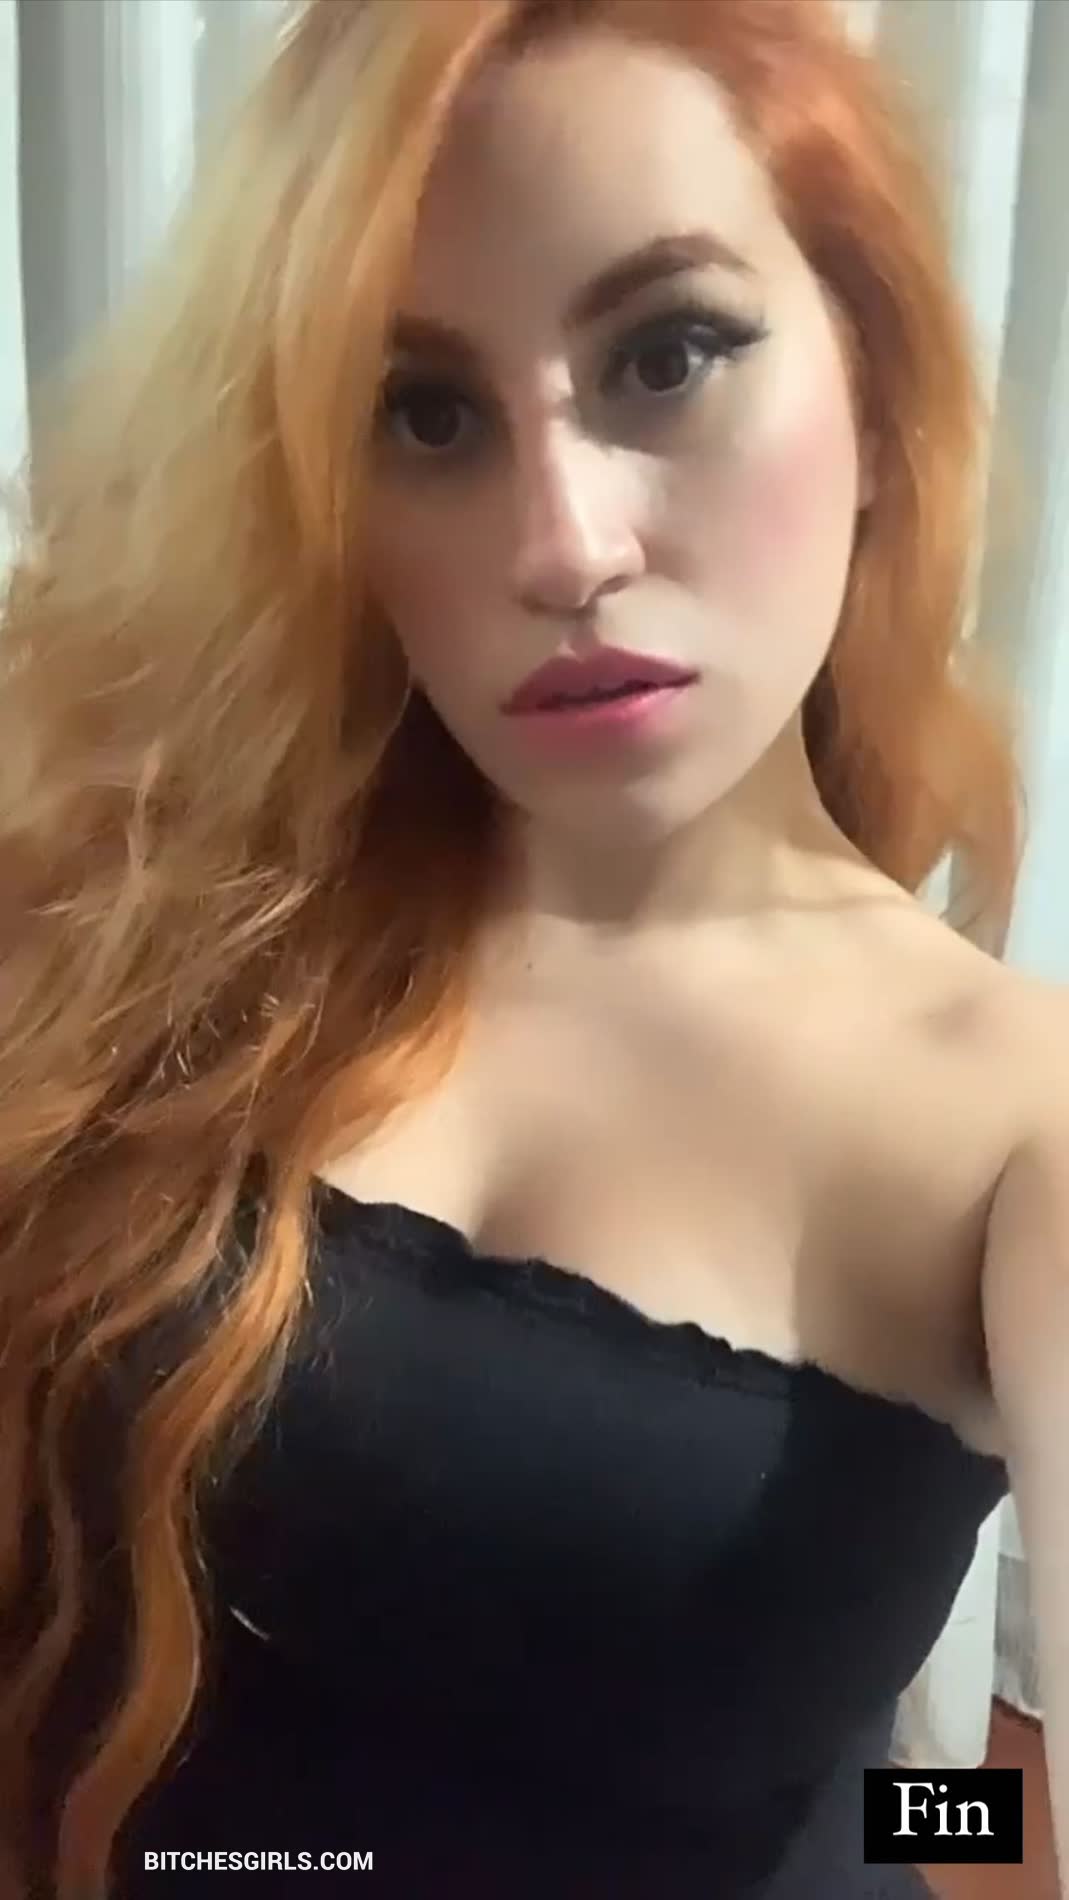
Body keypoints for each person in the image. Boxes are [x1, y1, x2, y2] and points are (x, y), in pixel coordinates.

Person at [1, 0, 1067, 1894]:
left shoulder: (1011, 1120)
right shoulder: (153, 921)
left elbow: (937, 1809)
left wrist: (921, 1834)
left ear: (878, 395)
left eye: (666, 356)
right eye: (425, 415)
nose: (562, 546)